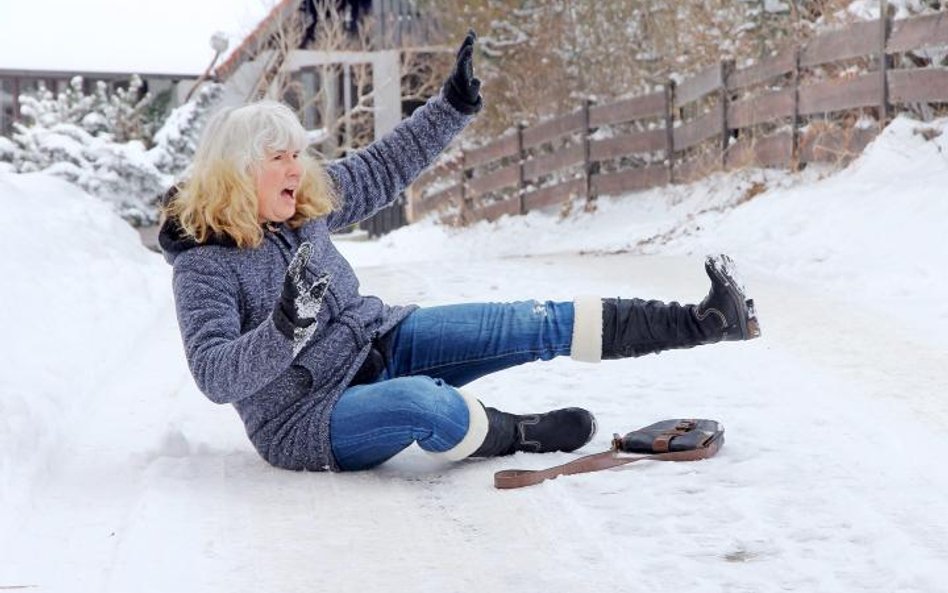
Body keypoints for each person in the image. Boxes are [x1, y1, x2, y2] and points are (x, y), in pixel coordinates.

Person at [159, 31, 761, 473]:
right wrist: (285, 328)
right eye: (280, 158)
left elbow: (385, 165)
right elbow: (214, 375)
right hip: (309, 417)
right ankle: (519, 433)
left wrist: (450, 107)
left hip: (382, 341)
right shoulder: (203, 262)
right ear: (240, 173)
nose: (297, 167)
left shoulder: (302, 205)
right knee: (425, 404)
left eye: (297, 153)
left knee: (530, 320)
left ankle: (703, 322)